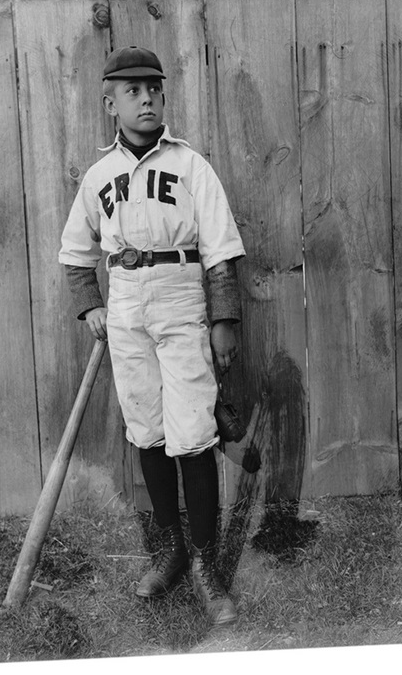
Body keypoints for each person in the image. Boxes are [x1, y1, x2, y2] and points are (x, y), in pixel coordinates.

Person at [58, 46, 246, 627]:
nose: (144, 99)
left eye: (153, 89)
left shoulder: (191, 166)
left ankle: (207, 566)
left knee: (192, 431)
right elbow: (74, 255)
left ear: (164, 97)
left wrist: (222, 322)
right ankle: (169, 553)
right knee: (146, 427)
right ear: (110, 102)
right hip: (126, 302)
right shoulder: (98, 176)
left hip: (181, 293)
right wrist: (91, 305)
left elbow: (219, 250)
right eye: (131, 91)